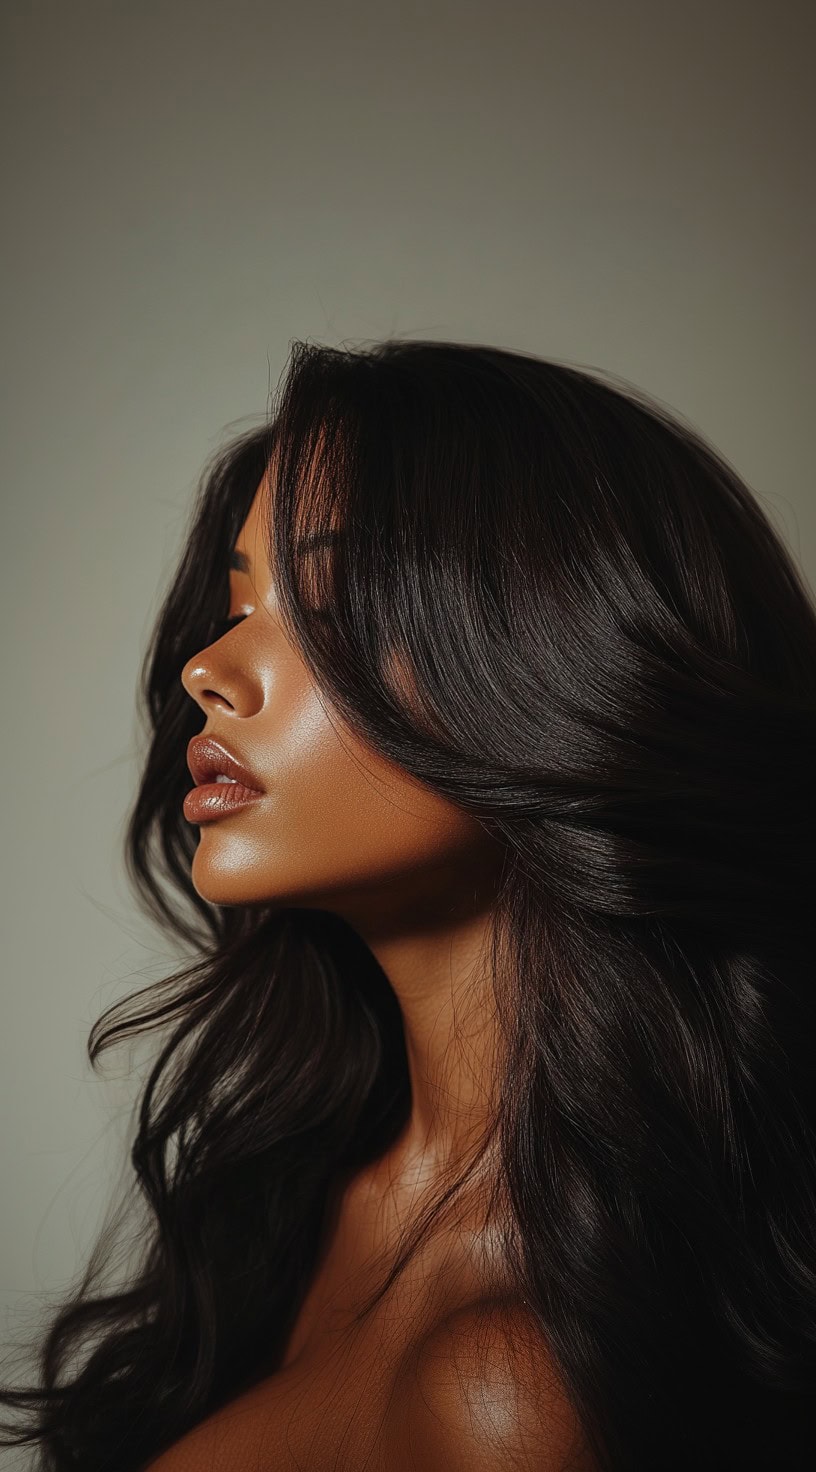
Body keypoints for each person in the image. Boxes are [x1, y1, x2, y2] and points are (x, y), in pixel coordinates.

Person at [1, 338, 814, 1470]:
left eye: (331, 598)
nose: (211, 669)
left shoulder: (509, 1397)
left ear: (552, 665)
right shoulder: (309, 1173)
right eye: (239, 606)